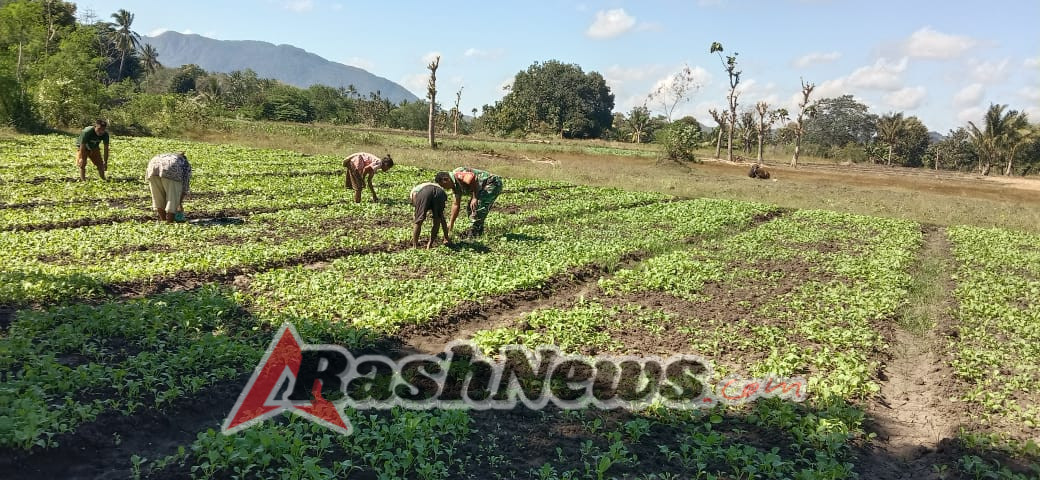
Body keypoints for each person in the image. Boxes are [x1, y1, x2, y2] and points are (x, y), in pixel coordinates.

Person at [438, 166, 503, 238]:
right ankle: (476, 229)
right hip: (481, 188)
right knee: (470, 207)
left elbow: (471, 177)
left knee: (478, 206)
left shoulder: (457, 175)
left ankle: (475, 232)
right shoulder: (455, 185)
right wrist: (451, 223)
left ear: (446, 179)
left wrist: (475, 197)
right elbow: (456, 204)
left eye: (443, 185)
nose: (445, 188)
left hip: (492, 183)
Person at [146, 152, 192, 223]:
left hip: (153, 165)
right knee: (172, 199)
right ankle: (170, 223)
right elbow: (185, 187)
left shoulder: (170, 156)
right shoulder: (185, 163)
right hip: (171, 167)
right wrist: (178, 203)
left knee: (158, 198)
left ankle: (163, 221)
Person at [409, 173, 452, 248]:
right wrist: (446, 237)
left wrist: (417, 213)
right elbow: (443, 220)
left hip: (425, 192)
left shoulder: (414, 191)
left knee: (419, 220)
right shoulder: (437, 186)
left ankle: (414, 246)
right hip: (440, 193)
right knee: (438, 219)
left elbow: (415, 195)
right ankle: (430, 244)